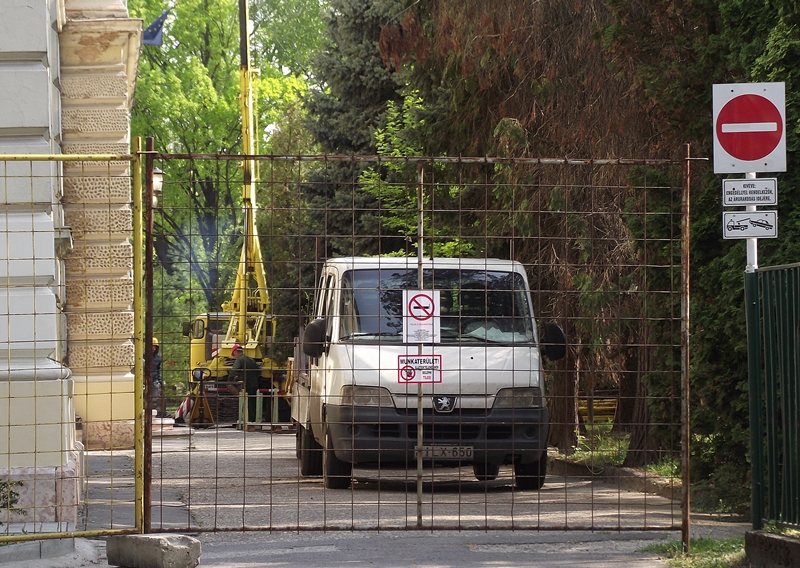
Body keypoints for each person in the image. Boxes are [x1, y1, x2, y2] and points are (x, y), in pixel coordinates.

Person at [229, 344, 262, 431]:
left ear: (236, 352)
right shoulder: (250, 359)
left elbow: (234, 370)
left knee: (247, 404)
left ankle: (249, 422)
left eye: (234, 354)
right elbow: (258, 371)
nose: (234, 356)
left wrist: (230, 379)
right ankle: (253, 422)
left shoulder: (239, 360)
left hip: (246, 385)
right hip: (254, 384)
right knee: (253, 403)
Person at [151, 337, 163, 402]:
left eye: (155, 347)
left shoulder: (158, 358)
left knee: (155, 398)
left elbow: (158, 370)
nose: (154, 348)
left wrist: (159, 381)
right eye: (152, 346)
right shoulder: (143, 357)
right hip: (143, 381)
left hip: (154, 380)